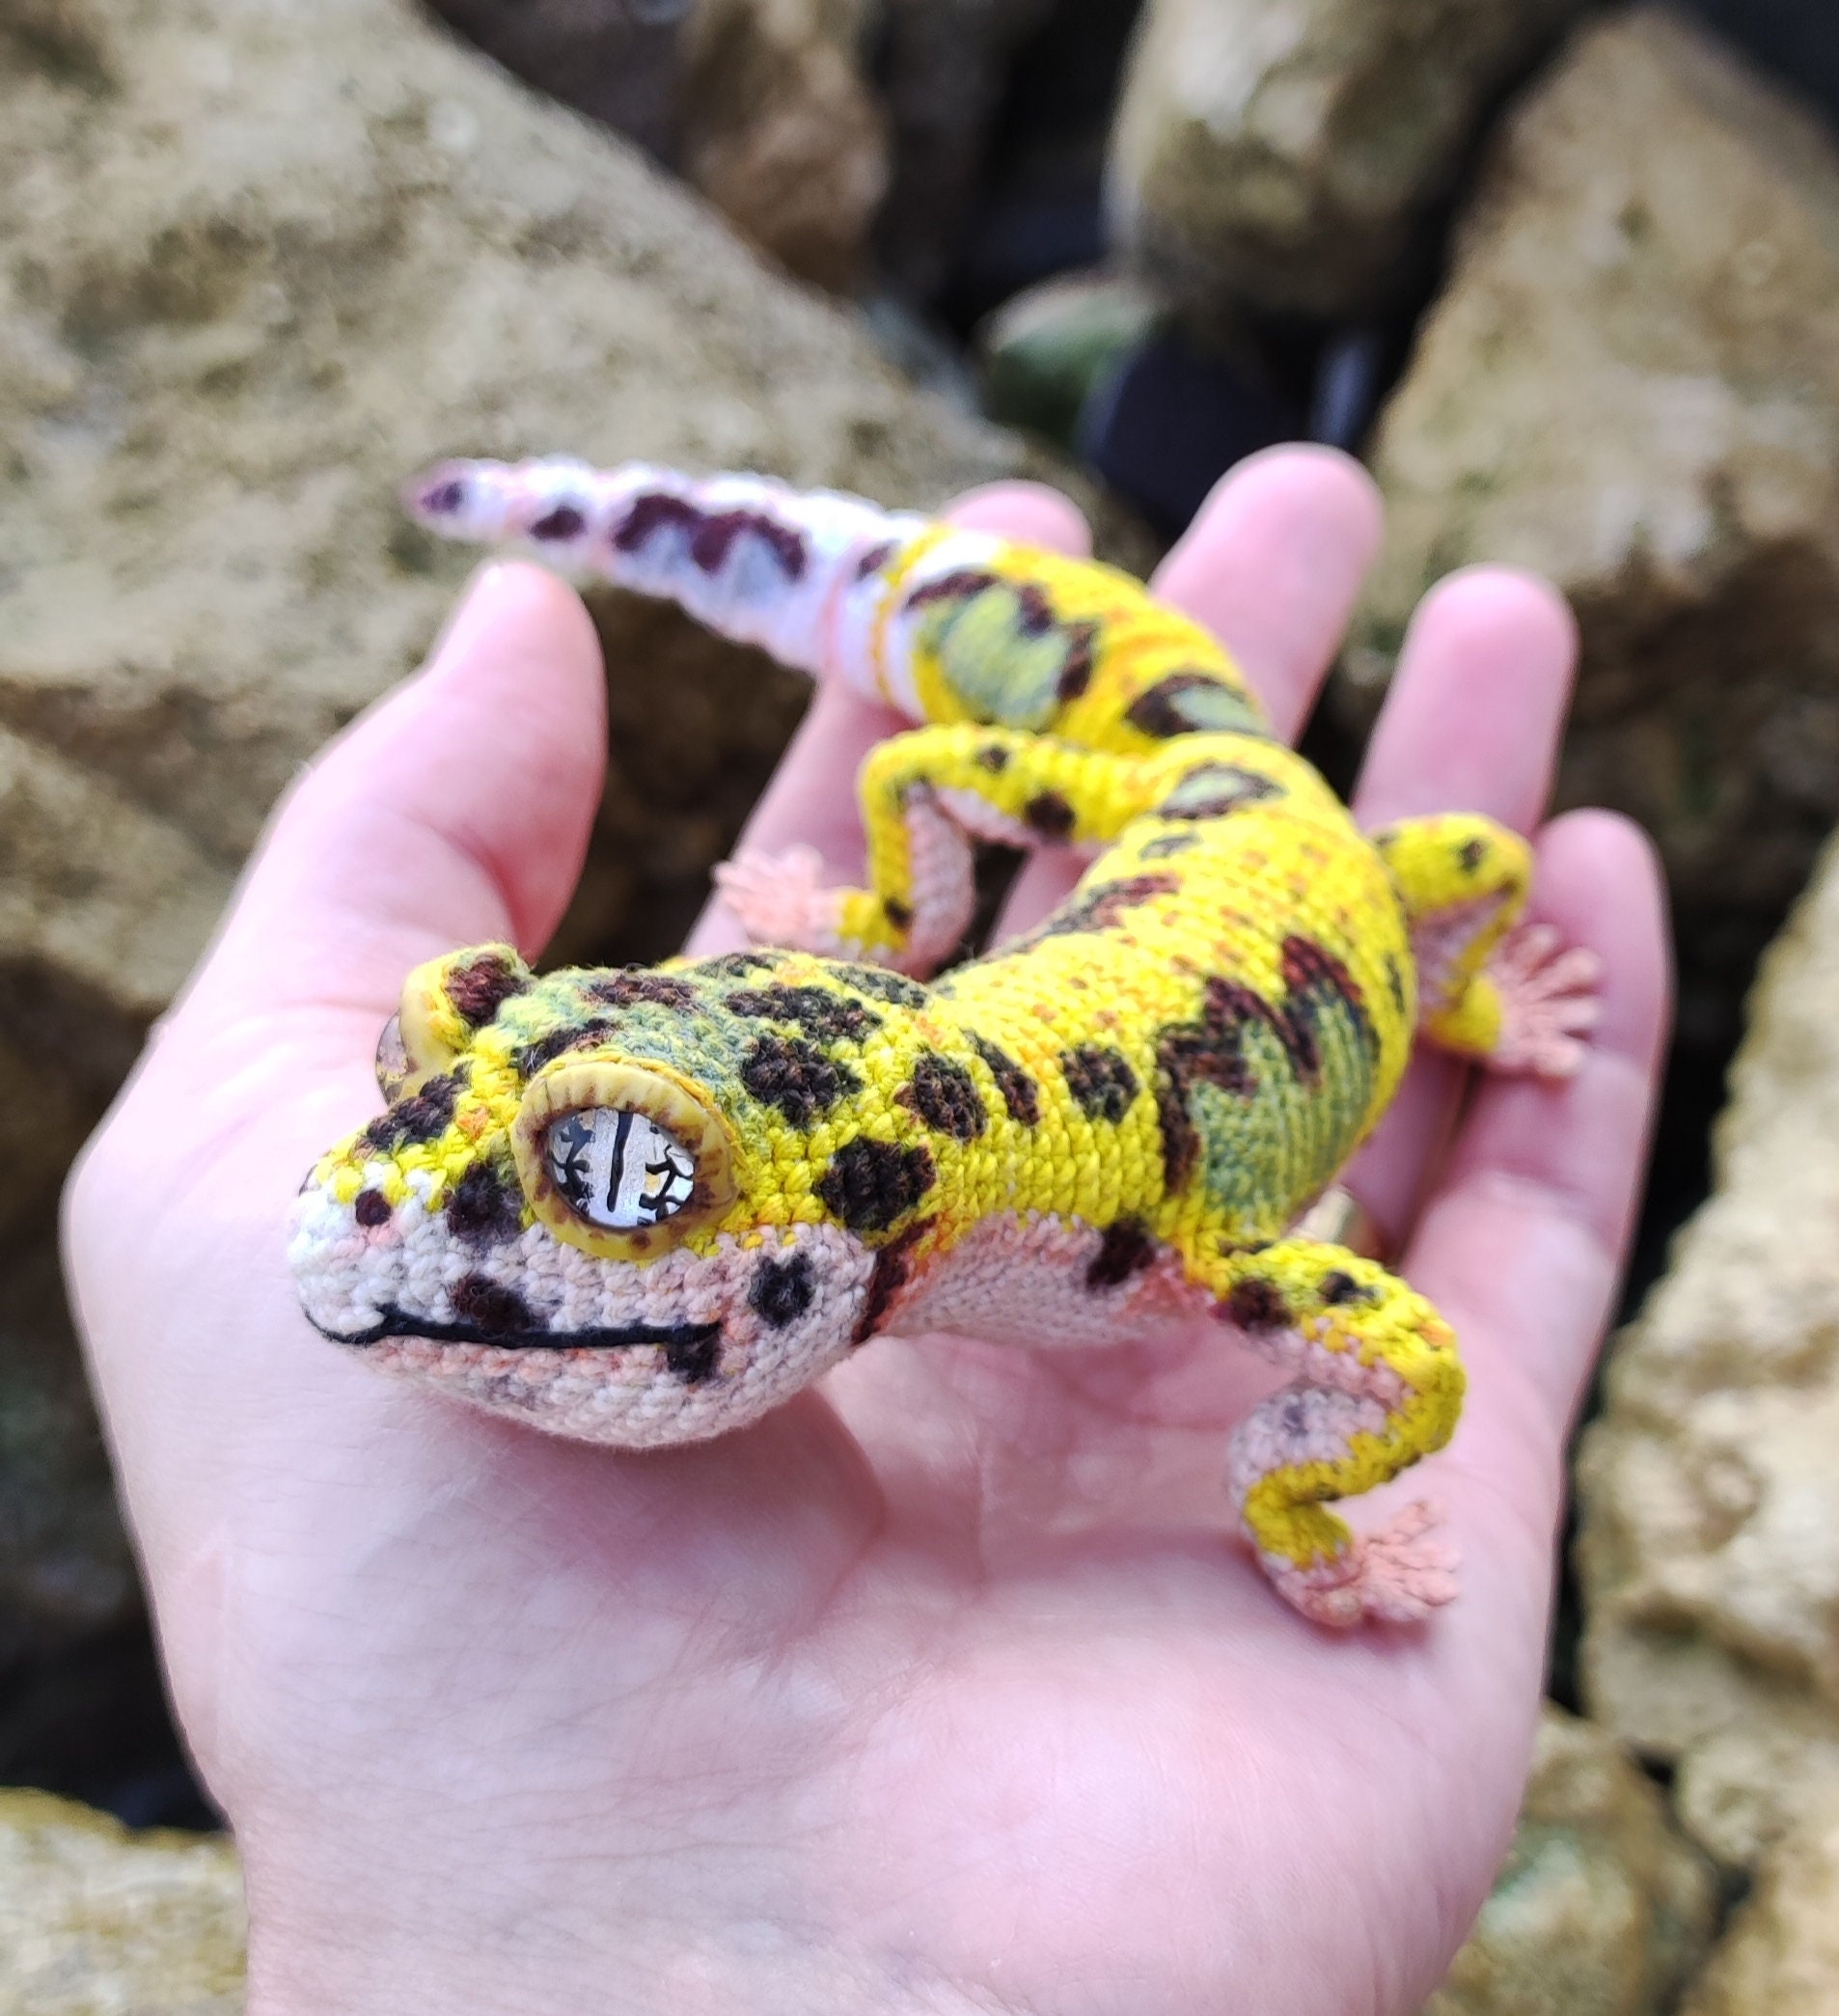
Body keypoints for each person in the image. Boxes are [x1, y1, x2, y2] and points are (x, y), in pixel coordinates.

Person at [64, 446, 1668, 2015]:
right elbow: (909, 774)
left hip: (1263, 856)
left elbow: (1410, 1366)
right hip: (1168, 825)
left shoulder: (1169, 1244)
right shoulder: (965, 1198)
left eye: (626, 1178)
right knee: (914, 764)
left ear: (874, 1212)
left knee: (1478, 863)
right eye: (438, 1056)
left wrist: (1296, 1505)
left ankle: (1431, 964)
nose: (372, 1204)